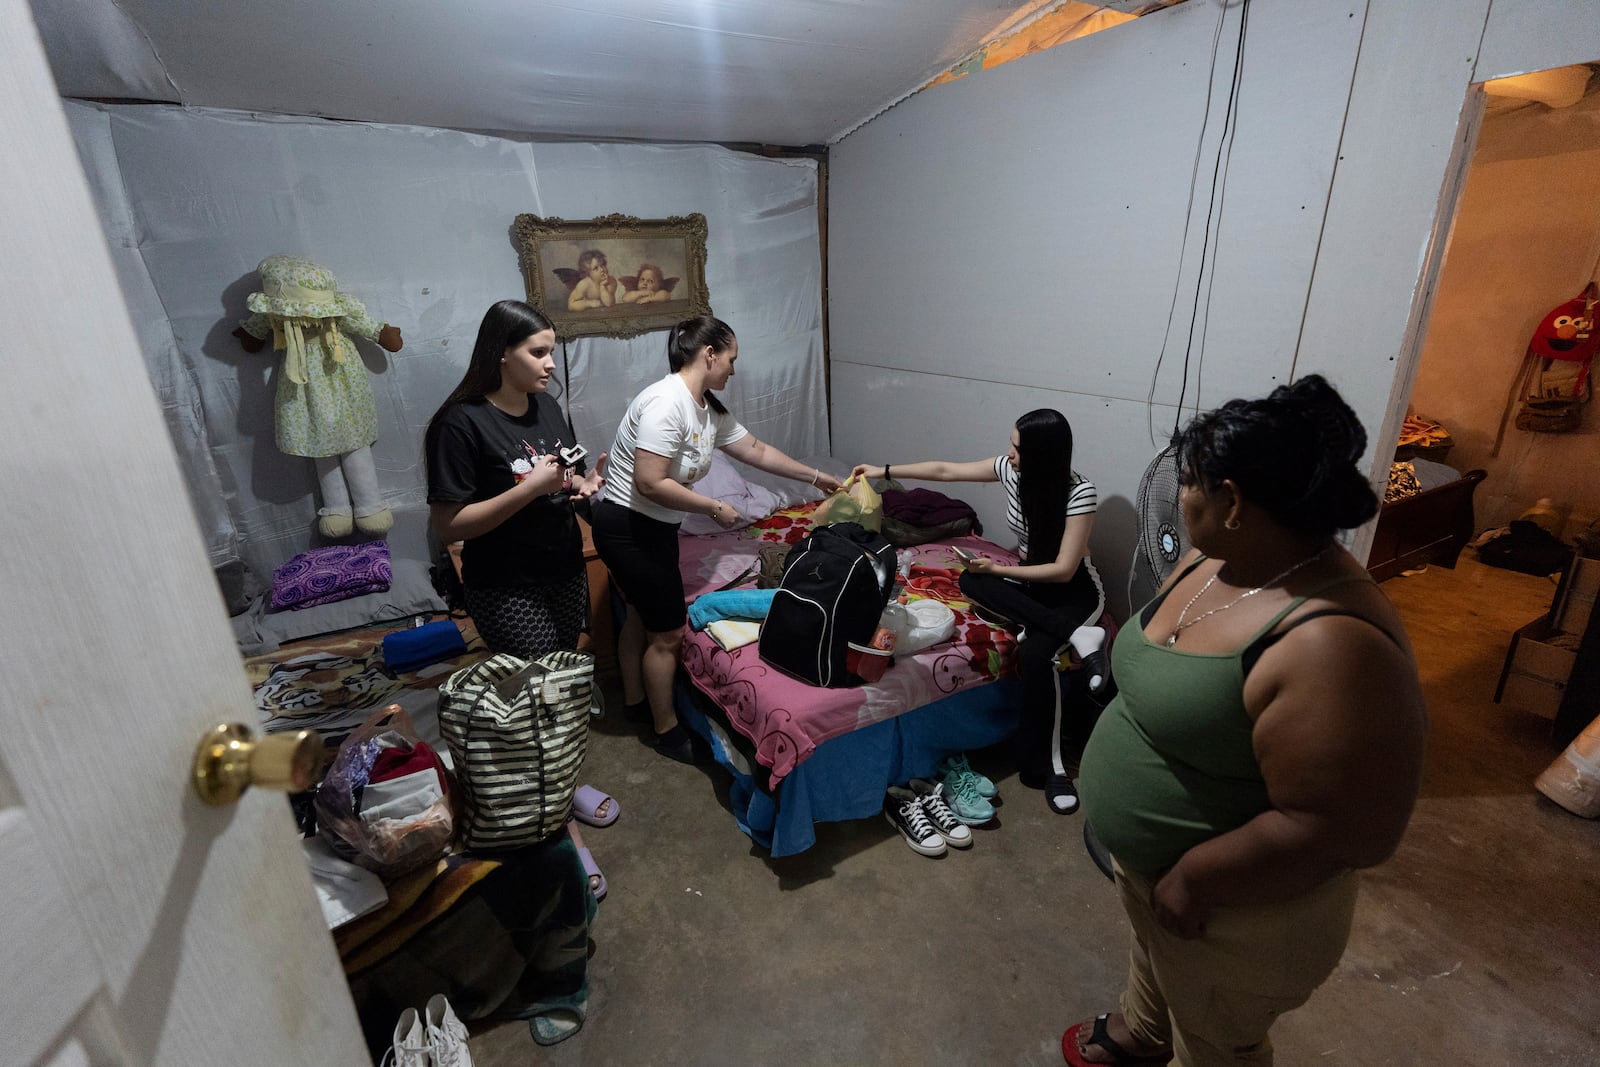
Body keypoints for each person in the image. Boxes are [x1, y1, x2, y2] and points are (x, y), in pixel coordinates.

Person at [1068, 375, 1427, 1067]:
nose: (1178, 493)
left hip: (1234, 911)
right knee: (1155, 962)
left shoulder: (1330, 643)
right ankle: (1144, 1032)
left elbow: (1347, 827)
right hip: (1158, 882)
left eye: (1191, 480)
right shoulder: (1217, 559)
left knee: (1216, 1039)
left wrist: (1196, 877)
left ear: (1234, 502)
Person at [423, 300, 614, 892]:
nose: (550, 364)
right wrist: (530, 488)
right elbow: (450, 524)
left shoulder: (548, 408)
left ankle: (564, 784)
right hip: (505, 587)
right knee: (534, 708)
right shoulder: (460, 423)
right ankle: (565, 839)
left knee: (563, 692)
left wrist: (585, 485)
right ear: (500, 352)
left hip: (559, 570)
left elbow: (561, 478)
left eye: (553, 351)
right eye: (538, 352)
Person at [592, 315, 842, 763]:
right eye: (731, 359)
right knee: (668, 632)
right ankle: (666, 729)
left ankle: (633, 704)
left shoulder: (704, 407)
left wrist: (818, 477)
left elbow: (756, 450)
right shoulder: (667, 404)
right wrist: (710, 507)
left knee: (638, 612)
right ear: (709, 354)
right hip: (629, 526)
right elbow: (649, 482)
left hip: (653, 525)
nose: (733, 369)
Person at [853, 409, 1107, 816]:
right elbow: (945, 470)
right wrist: (882, 470)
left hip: (1073, 591)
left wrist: (999, 569)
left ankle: (1052, 767)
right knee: (972, 582)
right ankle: (1076, 635)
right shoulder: (1010, 470)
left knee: (1037, 655)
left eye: (1019, 448)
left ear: (1044, 453)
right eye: (1011, 445)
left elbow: (1063, 571)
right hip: (1032, 586)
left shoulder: (1080, 493)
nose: (1010, 454)